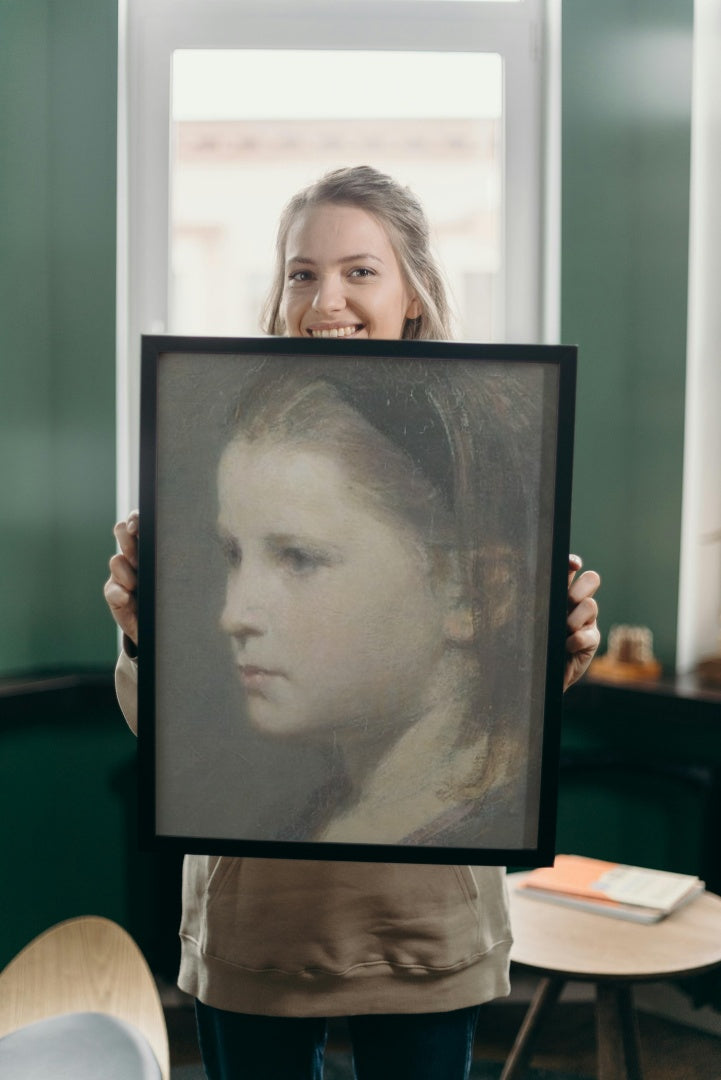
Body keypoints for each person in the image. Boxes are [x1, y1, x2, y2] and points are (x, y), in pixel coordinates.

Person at [105, 166, 601, 1080]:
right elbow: (171, 738)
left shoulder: (484, 454)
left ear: (413, 290)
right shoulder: (216, 434)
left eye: (358, 271)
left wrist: (551, 650)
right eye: (300, 272)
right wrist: (145, 637)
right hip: (256, 925)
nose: (323, 298)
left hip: (421, 925)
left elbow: (501, 717)